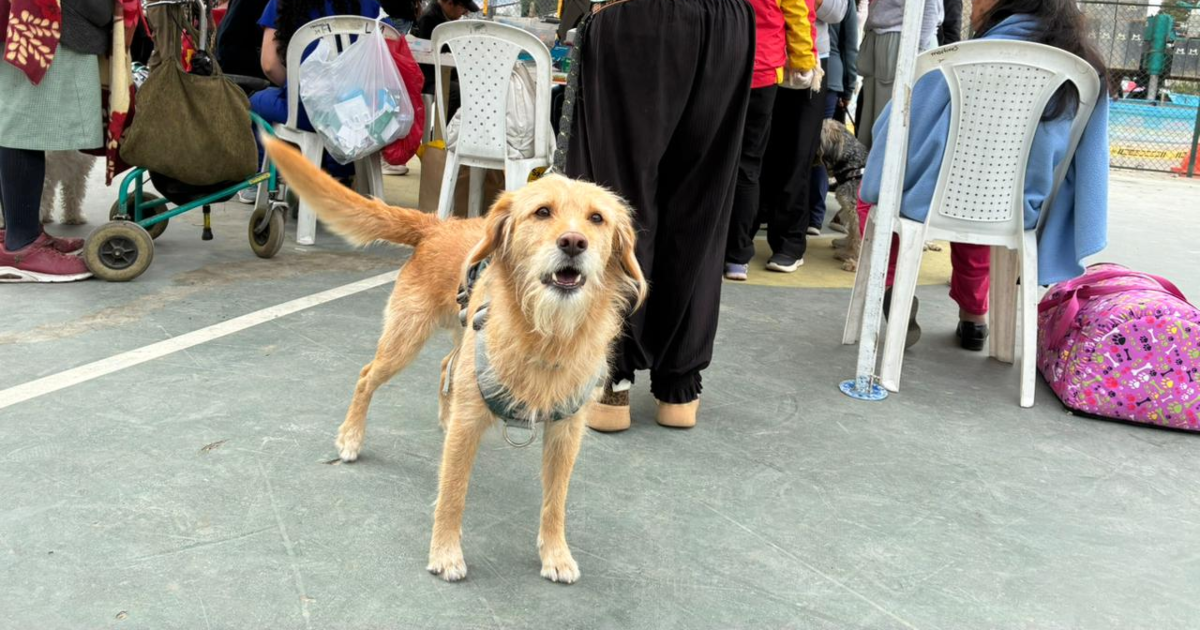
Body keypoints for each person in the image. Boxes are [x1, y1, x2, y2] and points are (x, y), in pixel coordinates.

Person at [857, 0, 1110, 350]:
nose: (972, 4)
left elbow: (898, 130)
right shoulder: (1081, 66)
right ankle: (975, 316)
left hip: (941, 197)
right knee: (981, 199)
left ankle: (890, 286)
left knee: (885, 191)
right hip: (1022, 207)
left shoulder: (961, 57)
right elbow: (1088, 157)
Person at [564, 0, 754, 431]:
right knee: (703, 203)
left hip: (634, 16)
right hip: (728, 22)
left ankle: (613, 376)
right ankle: (679, 386)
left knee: (616, 198)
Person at [0, 0, 119, 282]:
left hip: (30, 21)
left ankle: (19, 234)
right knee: (24, 129)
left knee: (17, 124)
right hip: (45, 25)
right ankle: (22, 246)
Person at [240, 0, 384, 202]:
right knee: (336, 115)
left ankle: (259, 182)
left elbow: (270, 65)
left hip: (305, 114)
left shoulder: (281, 3)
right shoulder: (369, 3)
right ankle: (340, 173)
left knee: (255, 102)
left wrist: (296, 89)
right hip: (361, 114)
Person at [724, 0, 819, 281]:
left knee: (716, 160)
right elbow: (797, 11)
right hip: (764, 68)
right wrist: (804, 61)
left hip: (722, 62)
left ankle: (714, 248)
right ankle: (737, 256)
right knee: (748, 165)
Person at [756, 0, 847, 274]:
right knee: (757, 150)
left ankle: (789, 243)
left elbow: (837, 11)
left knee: (797, 154)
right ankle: (739, 239)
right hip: (760, 55)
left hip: (808, 64)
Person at [855, 0, 942, 149]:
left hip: (902, 41)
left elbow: (930, 8)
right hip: (882, 38)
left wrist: (916, 52)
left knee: (889, 128)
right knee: (875, 125)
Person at [807, 0, 858, 236]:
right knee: (820, 149)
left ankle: (813, 214)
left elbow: (849, 47)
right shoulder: (844, 6)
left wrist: (847, 86)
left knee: (819, 148)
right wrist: (848, 87)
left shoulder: (840, 6)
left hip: (825, 73)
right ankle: (815, 216)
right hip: (831, 76)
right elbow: (850, 46)